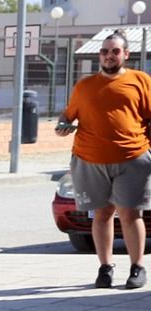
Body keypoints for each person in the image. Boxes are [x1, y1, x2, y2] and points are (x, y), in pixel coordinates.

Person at [56, 30, 151, 289]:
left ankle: (137, 267)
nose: (109, 56)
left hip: (132, 158)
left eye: (115, 51)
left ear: (126, 54)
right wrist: (63, 126)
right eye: (105, 51)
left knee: (130, 214)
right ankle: (105, 268)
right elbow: (68, 116)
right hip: (90, 159)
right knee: (102, 213)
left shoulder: (141, 81)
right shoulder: (84, 86)